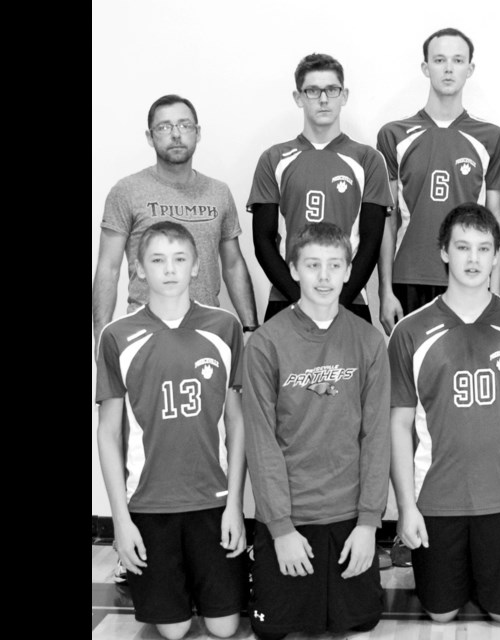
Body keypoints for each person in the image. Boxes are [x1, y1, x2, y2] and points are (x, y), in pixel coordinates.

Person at [388, 203, 500, 622]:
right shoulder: (410, 330)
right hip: (437, 500)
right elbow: (398, 424)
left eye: (484, 249)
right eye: (462, 247)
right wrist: (406, 506)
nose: (473, 259)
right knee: (441, 614)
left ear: (496, 255)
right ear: (444, 251)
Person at [96, 221, 247, 640]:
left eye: (180, 259)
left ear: (196, 265)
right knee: (175, 631)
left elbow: (236, 421)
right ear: (139, 268)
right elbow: (107, 433)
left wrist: (235, 504)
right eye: (157, 260)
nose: (169, 269)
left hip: (213, 501)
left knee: (223, 627)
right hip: (149, 505)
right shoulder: (116, 336)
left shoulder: (224, 328)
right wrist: (121, 522)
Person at [242, 222, 390, 639]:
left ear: (348, 271)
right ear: (293, 270)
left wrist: (368, 524)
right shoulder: (266, 344)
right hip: (290, 514)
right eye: (312, 265)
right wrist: (281, 528)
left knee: (358, 623)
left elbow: (375, 438)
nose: (324, 277)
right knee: (275, 631)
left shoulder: (369, 341)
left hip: (348, 517)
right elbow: (261, 441)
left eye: (333, 265)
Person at [93, 94, 259, 354]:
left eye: (184, 125)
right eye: (164, 127)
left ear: (198, 132)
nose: (176, 134)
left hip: (208, 334)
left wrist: (250, 327)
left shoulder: (218, 192)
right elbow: (108, 267)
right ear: (150, 137)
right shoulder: (127, 191)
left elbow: (233, 263)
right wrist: (101, 336)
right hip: (145, 336)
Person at [377, 27, 500, 334]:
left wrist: (497, 288)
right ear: (425, 68)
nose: (449, 68)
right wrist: (385, 290)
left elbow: (495, 220)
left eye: (457, 60)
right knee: (413, 376)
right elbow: (388, 219)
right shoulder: (393, 135)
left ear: (470, 69)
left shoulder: (491, 138)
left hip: (471, 276)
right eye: (439, 60)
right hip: (410, 275)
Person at [247, 53, 393, 324]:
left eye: (332, 90)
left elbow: (371, 242)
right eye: (313, 90)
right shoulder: (274, 158)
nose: (323, 99)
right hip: (286, 299)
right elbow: (263, 241)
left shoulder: (368, 160)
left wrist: (335, 303)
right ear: (298, 97)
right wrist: (302, 302)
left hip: (349, 300)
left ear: (344, 95)